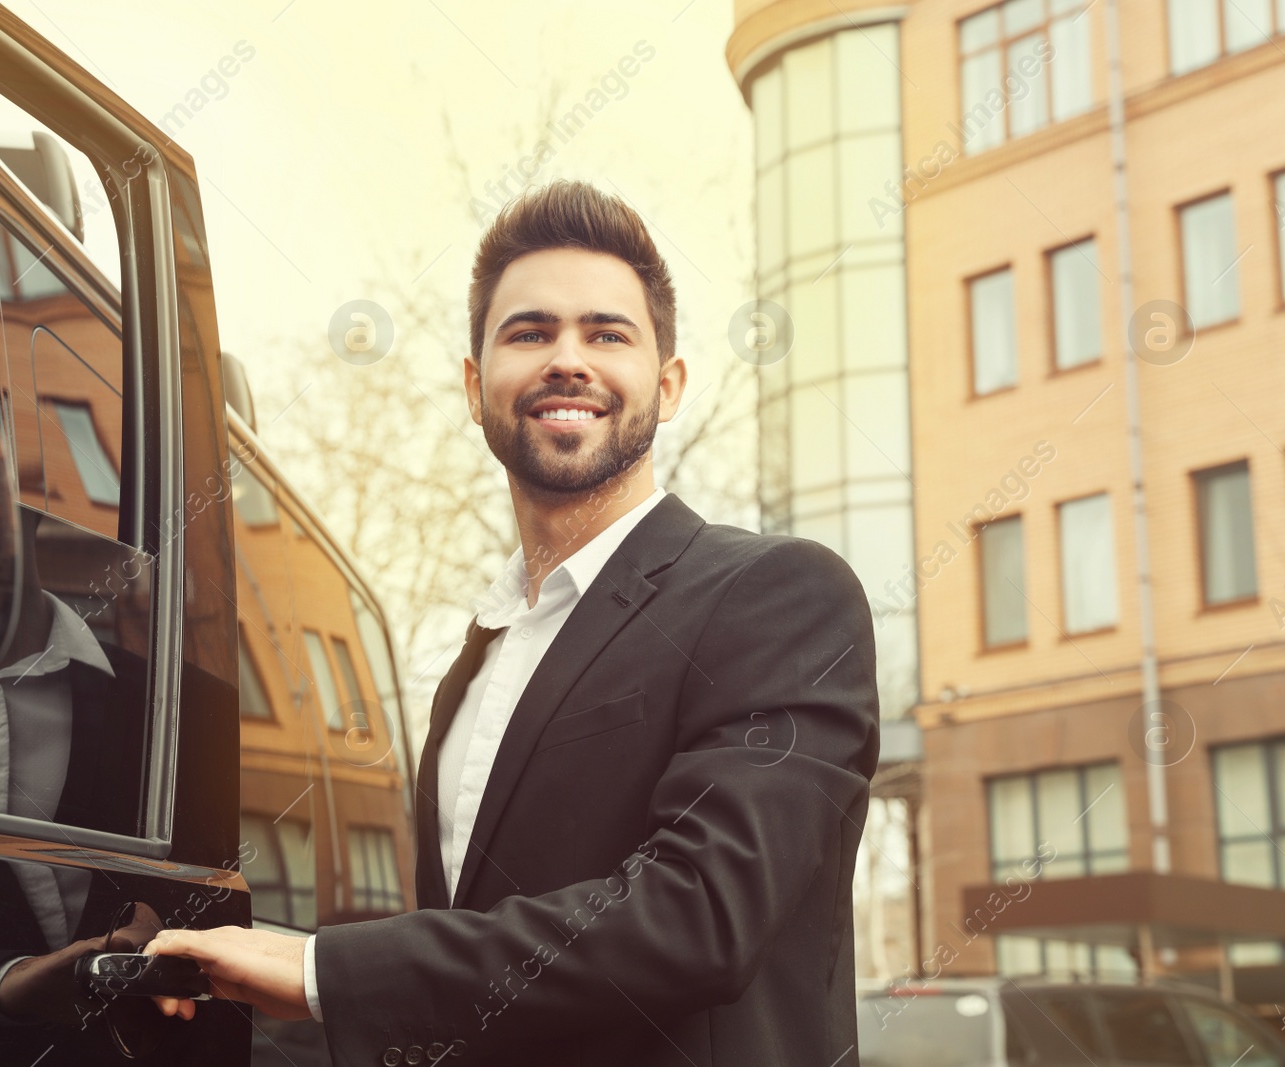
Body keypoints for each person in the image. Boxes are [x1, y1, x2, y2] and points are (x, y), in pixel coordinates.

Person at [146, 179, 881, 1066]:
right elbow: (464, 980)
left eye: (608, 333)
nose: (567, 359)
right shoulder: (475, 666)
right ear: (474, 383)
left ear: (670, 382)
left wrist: (319, 969)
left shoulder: (780, 595)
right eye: (528, 332)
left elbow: (701, 915)